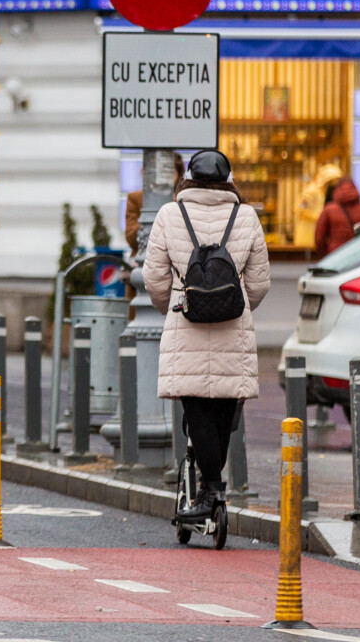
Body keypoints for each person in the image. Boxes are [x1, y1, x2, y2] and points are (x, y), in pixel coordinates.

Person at [139, 149, 272, 523]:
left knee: (195, 406)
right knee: (224, 408)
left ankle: (211, 491)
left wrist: (177, 305)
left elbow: (153, 278)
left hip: (187, 324)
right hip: (234, 326)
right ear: (229, 180)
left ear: (189, 178)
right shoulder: (246, 216)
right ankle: (213, 487)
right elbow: (260, 282)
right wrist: (237, 304)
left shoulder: (169, 214)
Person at [313, 177, 360, 258]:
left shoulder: (329, 210)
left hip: (336, 254)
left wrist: (325, 255)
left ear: (336, 190)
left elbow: (319, 239)